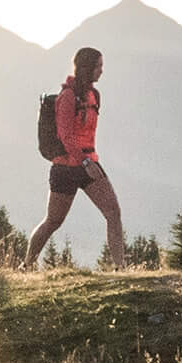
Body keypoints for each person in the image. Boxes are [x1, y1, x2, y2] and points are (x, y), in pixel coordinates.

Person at [27, 45, 129, 269]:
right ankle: (26, 265)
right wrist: (84, 162)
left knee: (113, 212)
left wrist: (88, 161)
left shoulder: (94, 96)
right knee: (53, 222)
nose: (101, 71)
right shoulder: (67, 97)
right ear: (87, 68)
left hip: (89, 164)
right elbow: (65, 135)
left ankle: (120, 268)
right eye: (98, 66)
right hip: (66, 168)